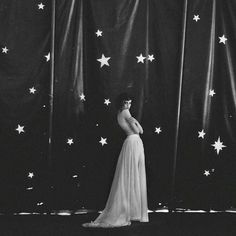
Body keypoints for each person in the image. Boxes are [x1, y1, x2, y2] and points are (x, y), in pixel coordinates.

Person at [82, 93, 149, 228]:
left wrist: (134, 121)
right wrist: (133, 121)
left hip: (134, 143)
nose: (128, 105)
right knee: (131, 174)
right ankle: (126, 210)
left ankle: (129, 210)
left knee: (132, 174)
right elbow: (137, 130)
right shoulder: (125, 113)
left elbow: (140, 130)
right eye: (126, 103)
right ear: (121, 103)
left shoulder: (124, 113)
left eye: (129, 103)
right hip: (132, 142)